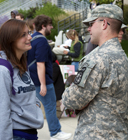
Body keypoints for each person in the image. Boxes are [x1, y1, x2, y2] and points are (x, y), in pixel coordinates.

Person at [62, 4, 128, 140]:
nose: (88, 28)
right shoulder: (123, 57)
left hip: (95, 134)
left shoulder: (97, 58)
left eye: (91, 23)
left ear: (104, 24)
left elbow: (72, 101)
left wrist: (69, 91)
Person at [0, 19, 44, 140]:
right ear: (10, 40)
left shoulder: (20, 64)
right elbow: (0, 114)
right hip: (15, 135)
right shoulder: (1, 71)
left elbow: (28, 93)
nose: (30, 37)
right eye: (24, 35)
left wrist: (35, 105)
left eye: (29, 33)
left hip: (30, 133)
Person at [27, 15, 72, 140]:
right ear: (43, 26)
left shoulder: (32, 39)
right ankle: (55, 132)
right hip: (42, 80)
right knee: (50, 106)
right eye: (50, 25)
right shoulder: (41, 41)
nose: (51, 27)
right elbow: (40, 63)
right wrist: (43, 83)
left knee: (39, 107)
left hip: (32, 78)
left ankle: (53, 131)